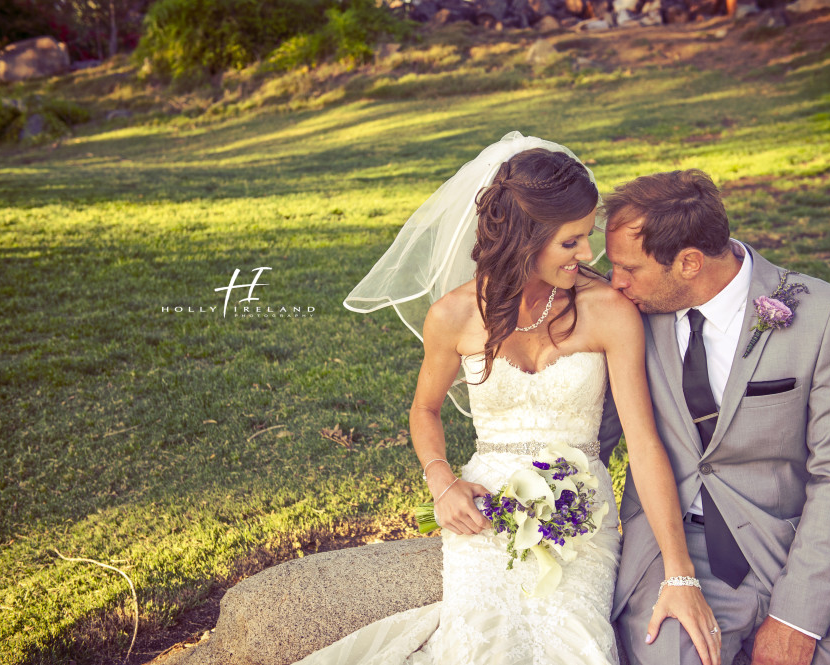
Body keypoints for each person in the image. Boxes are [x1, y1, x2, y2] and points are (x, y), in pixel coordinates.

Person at [305, 133, 720, 665]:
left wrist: (679, 571)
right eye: (571, 243)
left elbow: (643, 443)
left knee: (576, 646)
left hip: (582, 516)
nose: (588, 255)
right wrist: (444, 484)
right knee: (483, 643)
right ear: (525, 240)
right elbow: (423, 409)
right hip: (483, 513)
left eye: (585, 236)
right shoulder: (453, 315)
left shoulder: (607, 311)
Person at [599, 169, 830, 665]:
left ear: (690, 263)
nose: (616, 282)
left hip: (790, 539)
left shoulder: (825, 315)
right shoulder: (623, 312)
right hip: (676, 544)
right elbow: (596, 435)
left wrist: (795, 618)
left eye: (629, 268)